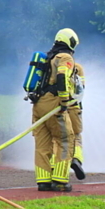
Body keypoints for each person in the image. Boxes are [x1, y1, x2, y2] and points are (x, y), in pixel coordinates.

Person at [33, 28, 80, 192]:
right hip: (54, 104)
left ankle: (43, 181)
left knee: (42, 144)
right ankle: (60, 180)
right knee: (65, 138)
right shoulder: (65, 57)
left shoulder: (48, 57)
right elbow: (62, 77)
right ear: (70, 42)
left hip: (38, 104)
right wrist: (64, 100)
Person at [68, 61, 85, 180]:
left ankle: (53, 164)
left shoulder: (49, 64)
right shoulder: (77, 66)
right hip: (73, 107)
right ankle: (76, 159)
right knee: (76, 135)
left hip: (52, 108)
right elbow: (81, 88)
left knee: (55, 137)